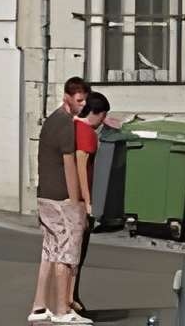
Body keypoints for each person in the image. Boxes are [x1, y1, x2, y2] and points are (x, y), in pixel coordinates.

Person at [29, 77, 90, 326]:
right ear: (66, 97)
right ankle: (61, 309)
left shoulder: (52, 120)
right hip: (60, 197)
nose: (83, 104)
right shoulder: (65, 124)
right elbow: (69, 165)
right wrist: (77, 203)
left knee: (50, 252)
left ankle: (40, 306)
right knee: (66, 253)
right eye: (79, 100)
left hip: (45, 194)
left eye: (84, 99)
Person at [70, 90, 118, 318]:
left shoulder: (73, 126)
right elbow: (81, 165)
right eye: (103, 116)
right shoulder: (88, 134)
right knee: (77, 254)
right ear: (97, 113)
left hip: (65, 199)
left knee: (68, 254)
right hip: (79, 201)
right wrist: (88, 202)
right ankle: (71, 300)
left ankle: (71, 299)